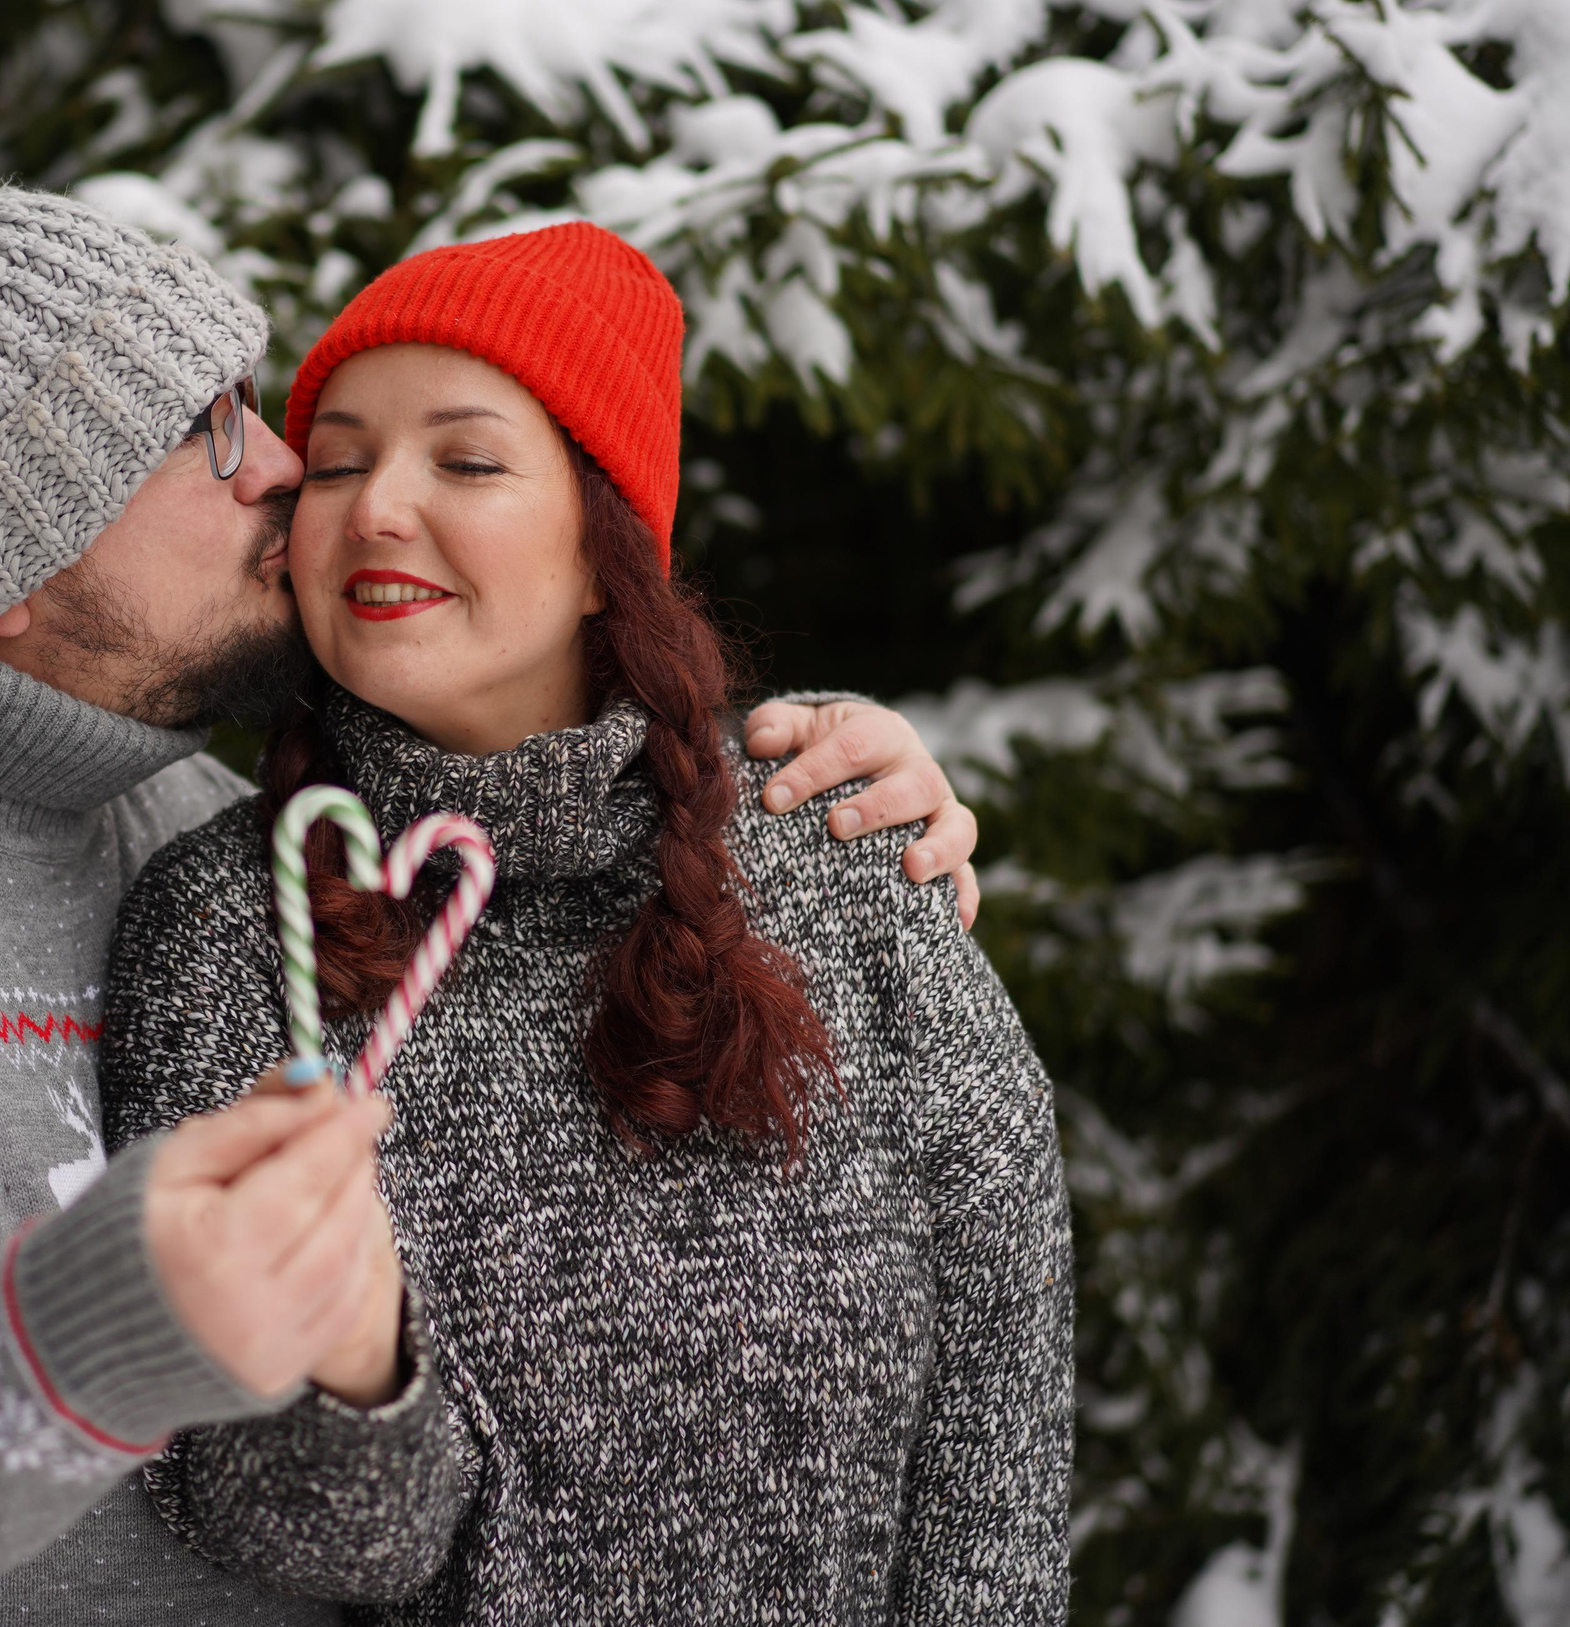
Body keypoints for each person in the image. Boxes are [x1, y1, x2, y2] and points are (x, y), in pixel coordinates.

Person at [0, 188, 990, 1627]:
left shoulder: (160, 802)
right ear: (9, 563)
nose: (281, 467)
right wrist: (100, 1320)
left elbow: (515, 731)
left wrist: (790, 797)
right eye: (204, 433)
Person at [100, 222, 1074, 1622]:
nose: (376, 507)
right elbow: (284, 1537)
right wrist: (349, 1363)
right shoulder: (233, 935)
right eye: (342, 458)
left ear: (607, 544)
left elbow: (1001, 1433)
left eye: (469, 458)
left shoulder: (837, 861)